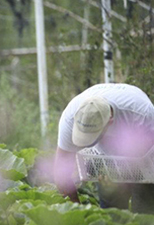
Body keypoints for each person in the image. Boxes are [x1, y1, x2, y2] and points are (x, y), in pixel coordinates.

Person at [54, 83, 154, 213]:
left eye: (94, 135)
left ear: (110, 121)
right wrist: (78, 210)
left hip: (144, 155)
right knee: (111, 214)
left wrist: (126, 179)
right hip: (104, 160)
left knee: (145, 209)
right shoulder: (69, 119)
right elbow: (60, 174)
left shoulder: (142, 114)